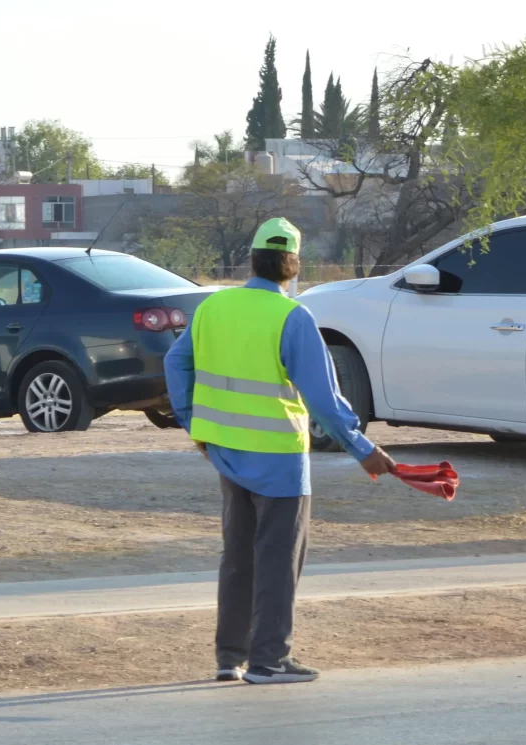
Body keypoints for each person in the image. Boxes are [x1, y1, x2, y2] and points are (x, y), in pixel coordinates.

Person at [164, 217, 395, 685]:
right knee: (277, 559)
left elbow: (175, 362)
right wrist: (363, 448)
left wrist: (196, 426)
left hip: (226, 452)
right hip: (279, 460)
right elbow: (324, 399)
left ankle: (230, 658)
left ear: (252, 259)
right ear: (293, 265)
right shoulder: (293, 317)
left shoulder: (214, 306)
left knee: (238, 557)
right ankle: (269, 661)